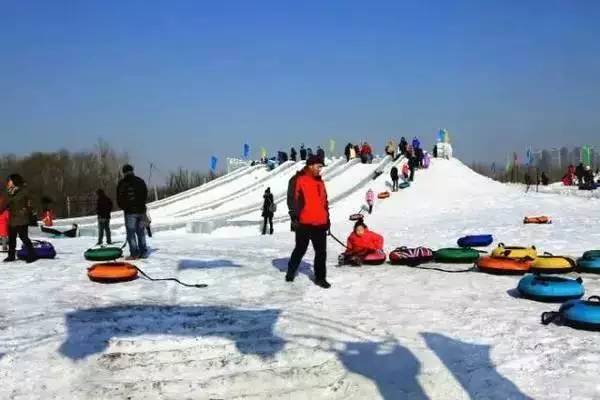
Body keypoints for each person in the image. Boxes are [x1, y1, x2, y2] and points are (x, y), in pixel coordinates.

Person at [286, 155, 331, 288]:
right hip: (303, 223)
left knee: (321, 252)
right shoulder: (298, 179)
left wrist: (327, 218)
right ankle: (291, 271)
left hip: (320, 222)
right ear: (310, 165)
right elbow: (292, 199)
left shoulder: (320, 182)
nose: (320, 169)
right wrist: (294, 217)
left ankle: (320, 278)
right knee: (300, 249)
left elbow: (325, 202)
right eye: (318, 166)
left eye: (321, 167)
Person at [1, 174, 37, 263]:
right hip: (12, 218)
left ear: (14, 181)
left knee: (23, 237)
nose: (8, 182)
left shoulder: (24, 191)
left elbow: (31, 203)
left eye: (10, 181)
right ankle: (11, 256)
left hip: (22, 218)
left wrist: (27, 210)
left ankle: (32, 254)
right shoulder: (8, 192)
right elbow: (4, 205)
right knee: (12, 238)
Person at [117, 164, 149, 259]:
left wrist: (124, 207)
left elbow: (119, 198)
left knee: (131, 233)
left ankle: (134, 253)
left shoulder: (122, 183)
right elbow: (145, 194)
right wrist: (142, 205)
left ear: (124, 172)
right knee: (141, 232)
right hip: (141, 211)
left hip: (130, 212)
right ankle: (143, 251)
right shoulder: (140, 181)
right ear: (132, 170)